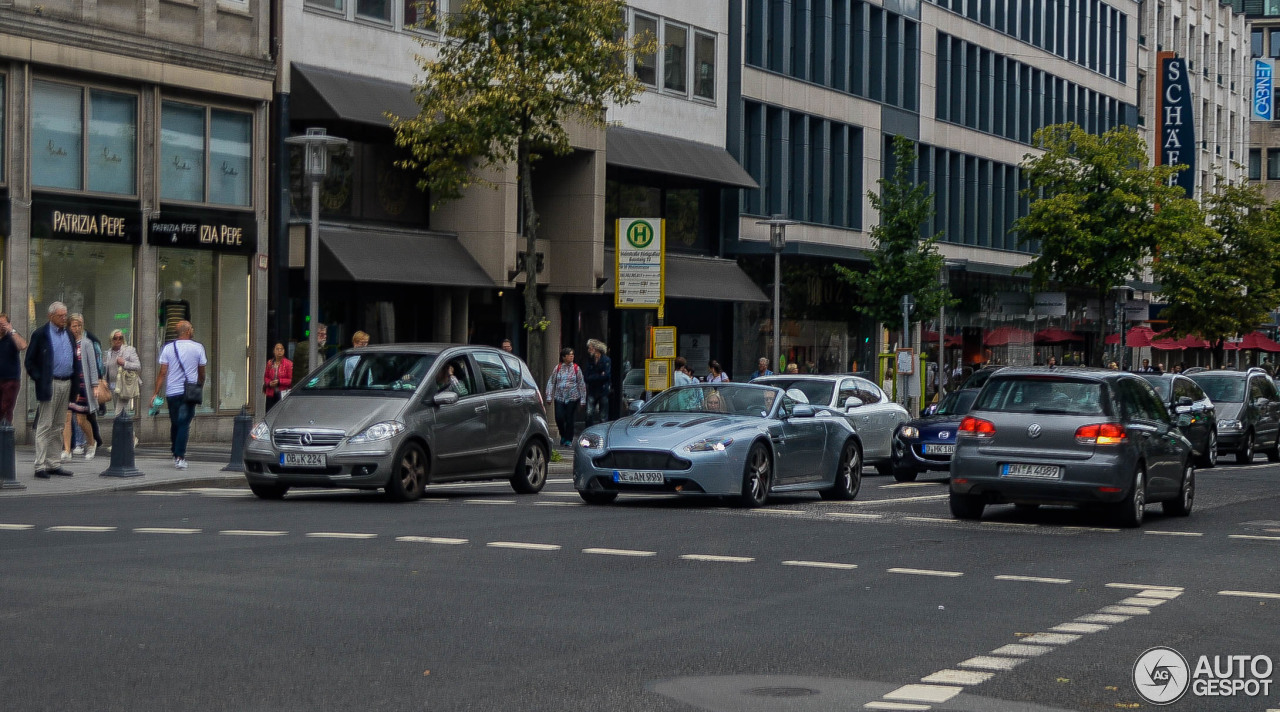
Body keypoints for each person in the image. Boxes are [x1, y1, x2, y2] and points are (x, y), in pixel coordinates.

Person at [26, 302, 80, 479]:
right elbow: (30, 361)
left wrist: (76, 384)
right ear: (51, 316)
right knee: (45, 425)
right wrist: (40, 378)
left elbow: (74, 359)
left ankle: (53, 463)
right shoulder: (41, 334)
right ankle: (39, 465)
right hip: (50, 383)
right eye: (60, 316)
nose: (64, 318)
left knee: (58, 426)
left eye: (65, 315)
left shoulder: (69, 335)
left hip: (66, 383)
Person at [151, 320, 207, 470]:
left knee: (176, 422)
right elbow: (202, 372)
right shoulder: (198, 348)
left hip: (172, 392)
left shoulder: (168, 348)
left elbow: (162, 373)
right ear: (187, 331)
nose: (193, 330)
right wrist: (199, 385)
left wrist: (155, 393)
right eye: (192, 328)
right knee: (184, 424)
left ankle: (175, 450)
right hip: (189, 392)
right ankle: (180, 456)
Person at [63, 314, 104, 461]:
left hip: (82, 386)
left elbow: (92, 365)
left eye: (79, 325)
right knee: (67, 418)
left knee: (81, 419)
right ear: (69, 327)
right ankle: (67, 450)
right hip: (69, 386)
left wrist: (94, 385)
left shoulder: (86, 343)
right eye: (74, 326)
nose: (76, 329)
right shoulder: (66, 342)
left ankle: (91, 443)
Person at [545, 347, 586, 447]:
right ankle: (563, 434)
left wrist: (583, 399)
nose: (571, 356)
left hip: (572, 397)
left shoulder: (576, 368)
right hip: (559, 396)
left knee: (569, 418)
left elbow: (581, 383)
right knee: (559, 417)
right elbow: (551, 382)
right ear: (564, 357)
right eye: (569, 355)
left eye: (572, 354)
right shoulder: (558, 368)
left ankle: (568, 438)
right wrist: (549, 396)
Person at [104, 329, 141, 416]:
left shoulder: (129, 350)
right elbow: (106, 369)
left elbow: (137, 366)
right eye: (115, 338)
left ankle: (119, 429)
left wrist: (124, 363)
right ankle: (128, 430)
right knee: (122, 414)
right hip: (112, 386)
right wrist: (104, 380)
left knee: (118, 413)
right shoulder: (109, 352)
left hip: (124, 385)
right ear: (111, 339)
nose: (118, 340)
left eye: (120, 338)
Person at [0, 313, 28, 425]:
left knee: (5, 408)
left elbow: (23, 346)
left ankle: (5, 434)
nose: (1, 326)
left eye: (4, 324)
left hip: (10, 380)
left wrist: (11, 330)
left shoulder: (12, 337)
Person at [583, 339, 612, 427]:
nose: (588, 350)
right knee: (589, 414)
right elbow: (586, 377)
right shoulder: (590, 360)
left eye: (590, 348)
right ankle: (588, 430)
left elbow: (606, 376)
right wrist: (599, 375)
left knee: (603, 416)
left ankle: (602, 432)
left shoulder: (606, 360)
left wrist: (594, 377)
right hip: (592, 390)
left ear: (595, 348)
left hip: (603, 390)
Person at [263, 342, 293, 411]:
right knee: (269, 412)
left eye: (281, 349)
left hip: (282, 393)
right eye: (277, 349)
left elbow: (291, 380)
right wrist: (269, 383)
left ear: (284, 351)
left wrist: (279, 381)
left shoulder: (288, 364)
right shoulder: (270, 363)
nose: (279, 351)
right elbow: (266, 377)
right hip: (271, 392)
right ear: (274, 351)